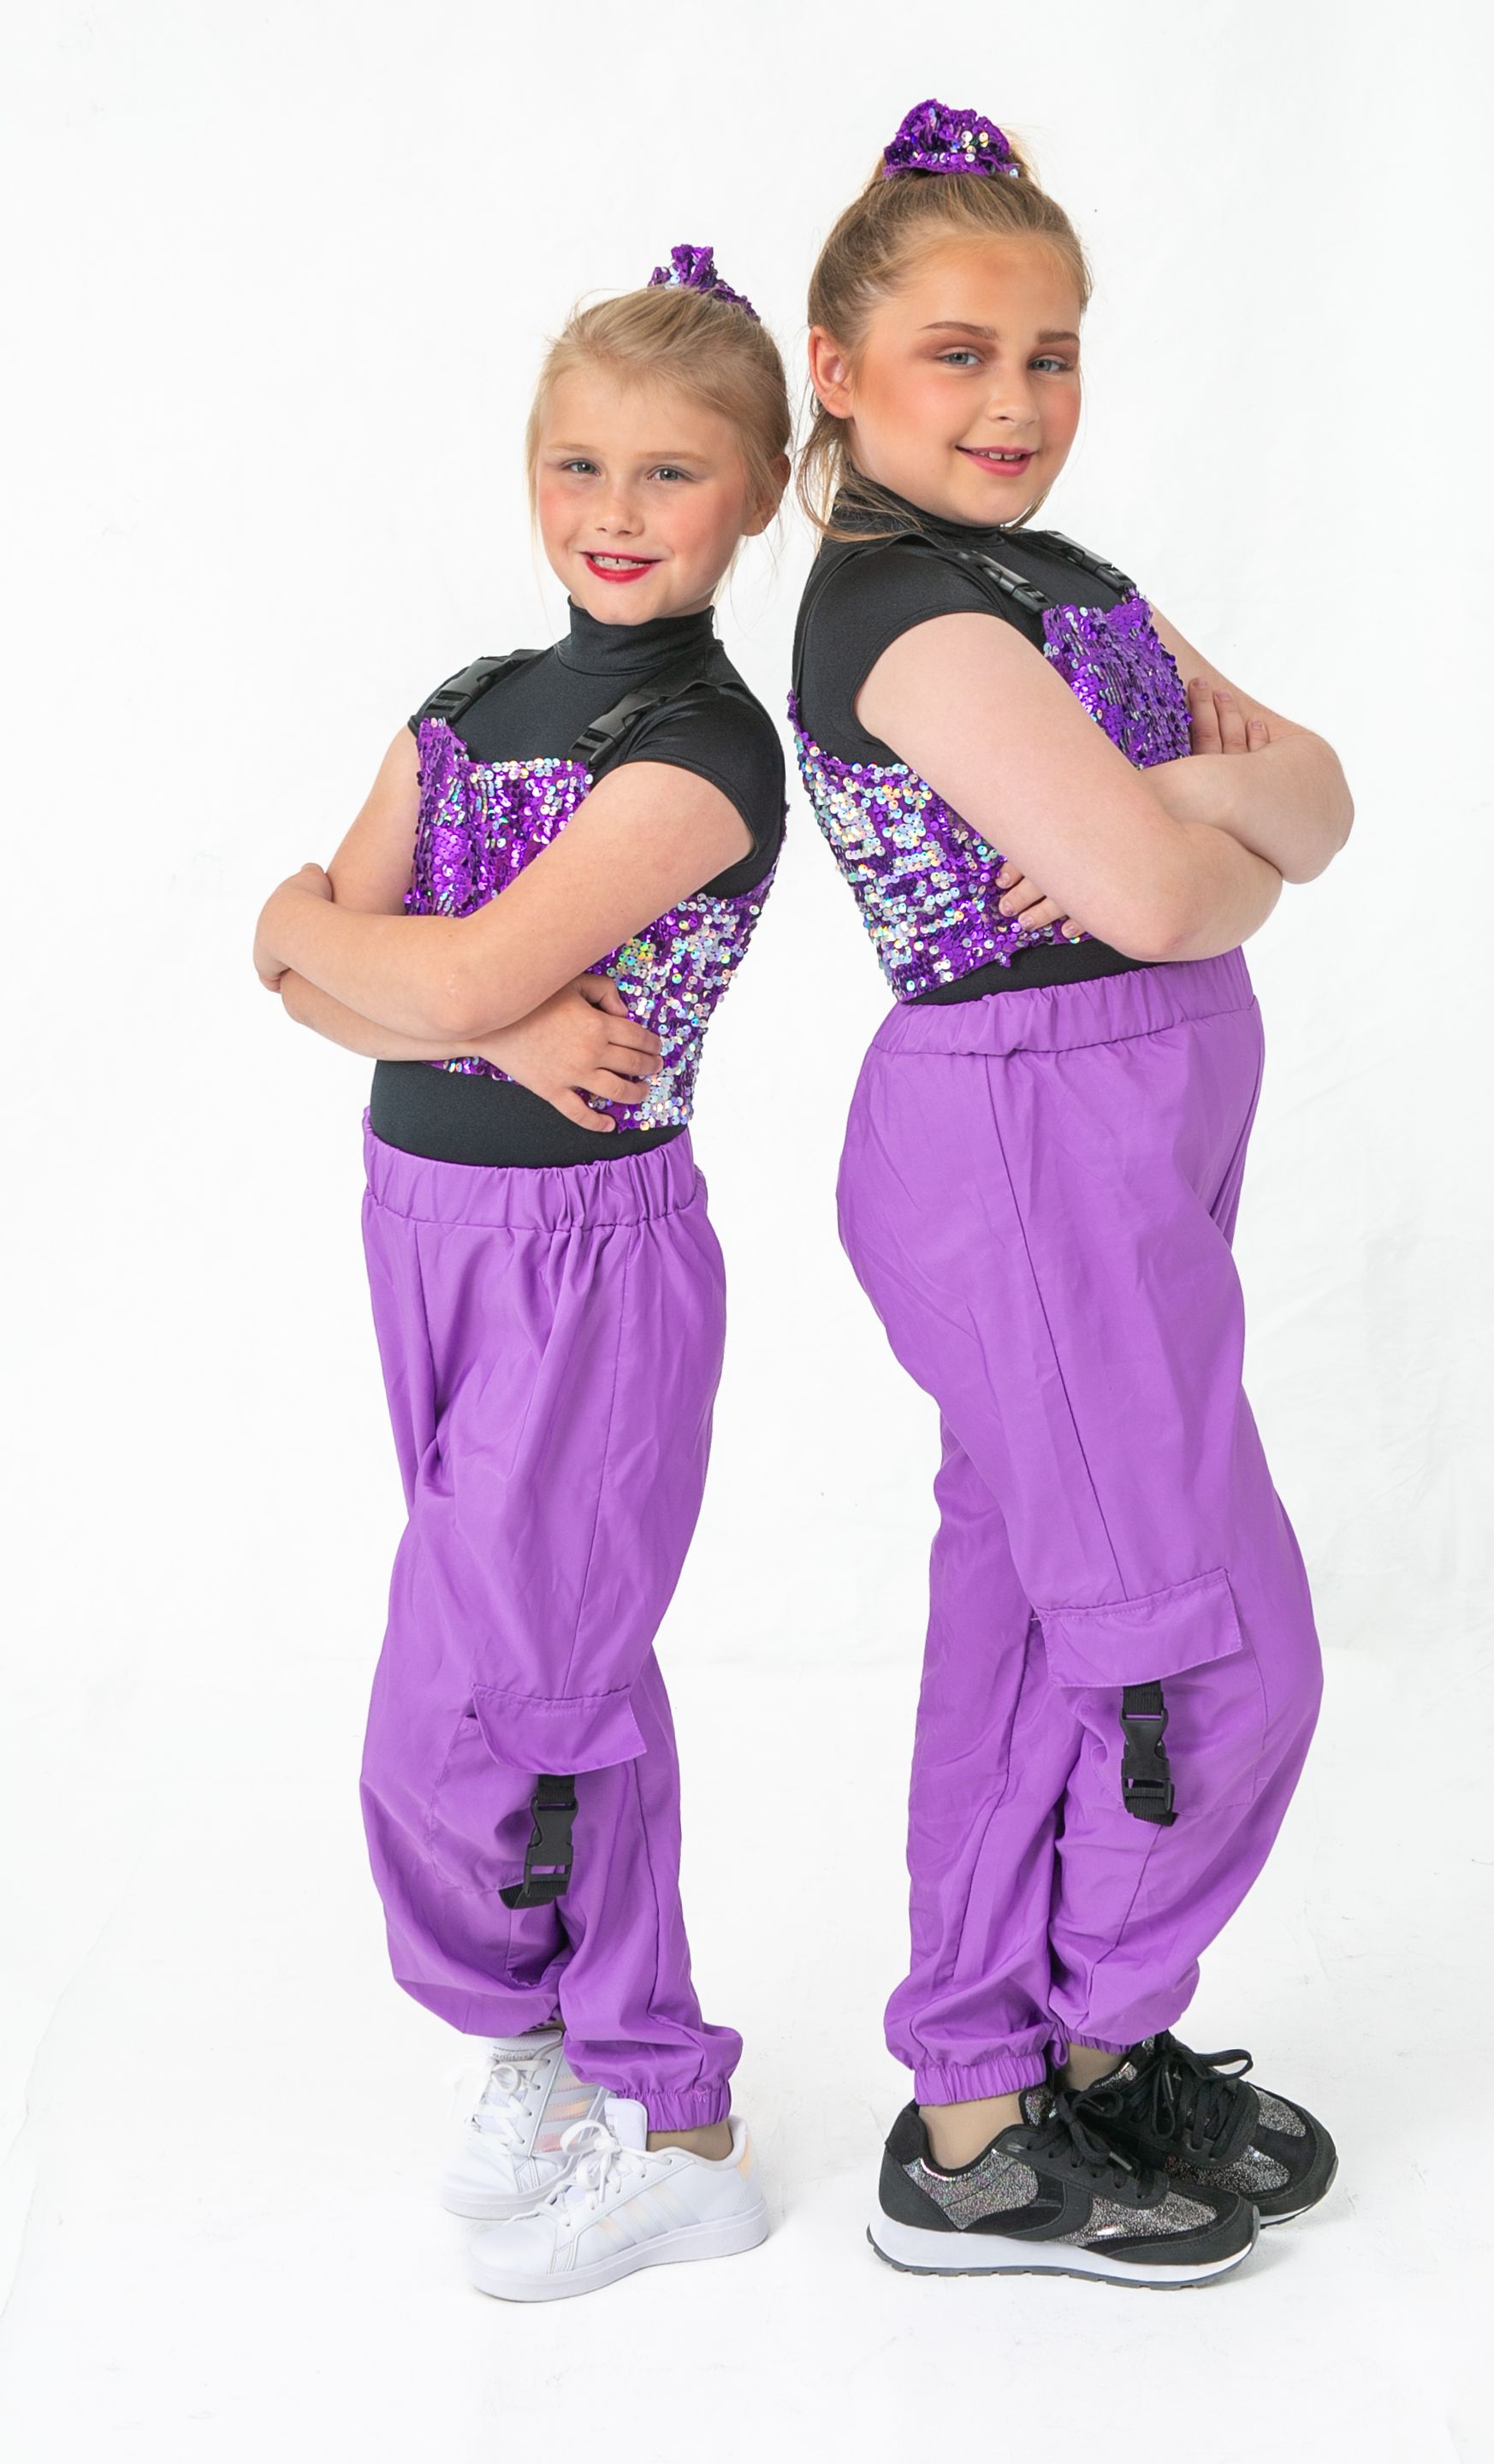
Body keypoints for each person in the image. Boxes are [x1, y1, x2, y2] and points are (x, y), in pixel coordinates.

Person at [789, 98, 1353, 2286]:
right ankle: (1047, 2067)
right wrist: (1206, 842)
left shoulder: (1068, 586)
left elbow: (1322, 803)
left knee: (1042, 1620)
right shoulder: (907, 613)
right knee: (1190, 1636)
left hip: (1133, 1125)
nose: (1015, 398)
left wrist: (1183, 814)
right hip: (1026, 1136)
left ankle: (1011, 2079)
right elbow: (1182, 891)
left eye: (1051, 352)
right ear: (841, 369)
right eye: (959, 352)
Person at [252, 243, 786, 2304]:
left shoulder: (698, 748)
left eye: (671, 471)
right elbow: (289, 970)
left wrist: (377, 959)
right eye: (580, 464)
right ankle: (580, 2064)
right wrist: (420, 988)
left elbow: (389, 951)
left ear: (754, 494)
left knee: (495, 1699)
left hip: (587, 1261)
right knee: (552, 1670)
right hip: (419, 1226)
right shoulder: (470, 708)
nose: (616, 511)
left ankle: (672, 2120)